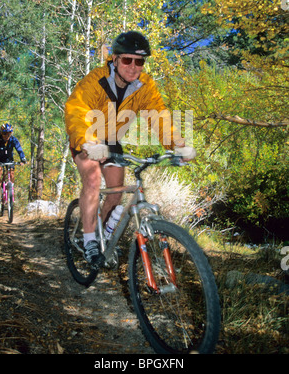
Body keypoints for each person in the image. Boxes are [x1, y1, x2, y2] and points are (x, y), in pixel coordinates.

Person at [65, 31, 196, 266]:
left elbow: (158, 116)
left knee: (116, 191)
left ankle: (102, 236)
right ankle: (89, 242)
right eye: (127, 60)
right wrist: (86, 141)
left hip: (112, 140)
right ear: (115, 59)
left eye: (140, 61)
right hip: (87, 136)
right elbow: (77, 108)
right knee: (93, 179)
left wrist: (178, 144)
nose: (133, 66)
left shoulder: (144, 86)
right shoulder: (96, 80)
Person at [0, 123, 27, 202]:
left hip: (9, 159)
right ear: (1, 133)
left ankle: (10, 190)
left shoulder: (13, 139)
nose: (7, 136)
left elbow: (19, 149)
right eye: (4, 133)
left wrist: (23, 158)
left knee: (11, 173)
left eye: (9, 133)